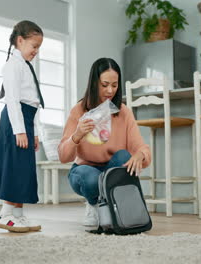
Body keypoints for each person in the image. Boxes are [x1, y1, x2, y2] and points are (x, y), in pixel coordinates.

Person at [58, 58, 151, 226]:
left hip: (112, 172)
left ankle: (111, 206)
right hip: (84, 171)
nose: (110, 91)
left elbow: (141, 147)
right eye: (104, 85)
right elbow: (63, 156)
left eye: (114, 85)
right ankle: (94, 204)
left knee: (124, 155)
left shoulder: (123, 112)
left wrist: (140, 155)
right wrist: (77, 135)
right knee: (91, 177)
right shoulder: (79, 110)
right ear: (94, 83)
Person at [0, 20, 45, 233]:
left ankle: (18, 216)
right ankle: (5, 214)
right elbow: (13, 100)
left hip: (26, 119)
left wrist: (34, 131)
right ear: (20, 41)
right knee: (13, 167)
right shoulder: (12, 65)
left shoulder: (25, 65)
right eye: (34, 46)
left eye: (39, 48)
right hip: (16, 121)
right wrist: (20, 130)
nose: (36, 52)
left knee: (24, 170)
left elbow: (32, 102)